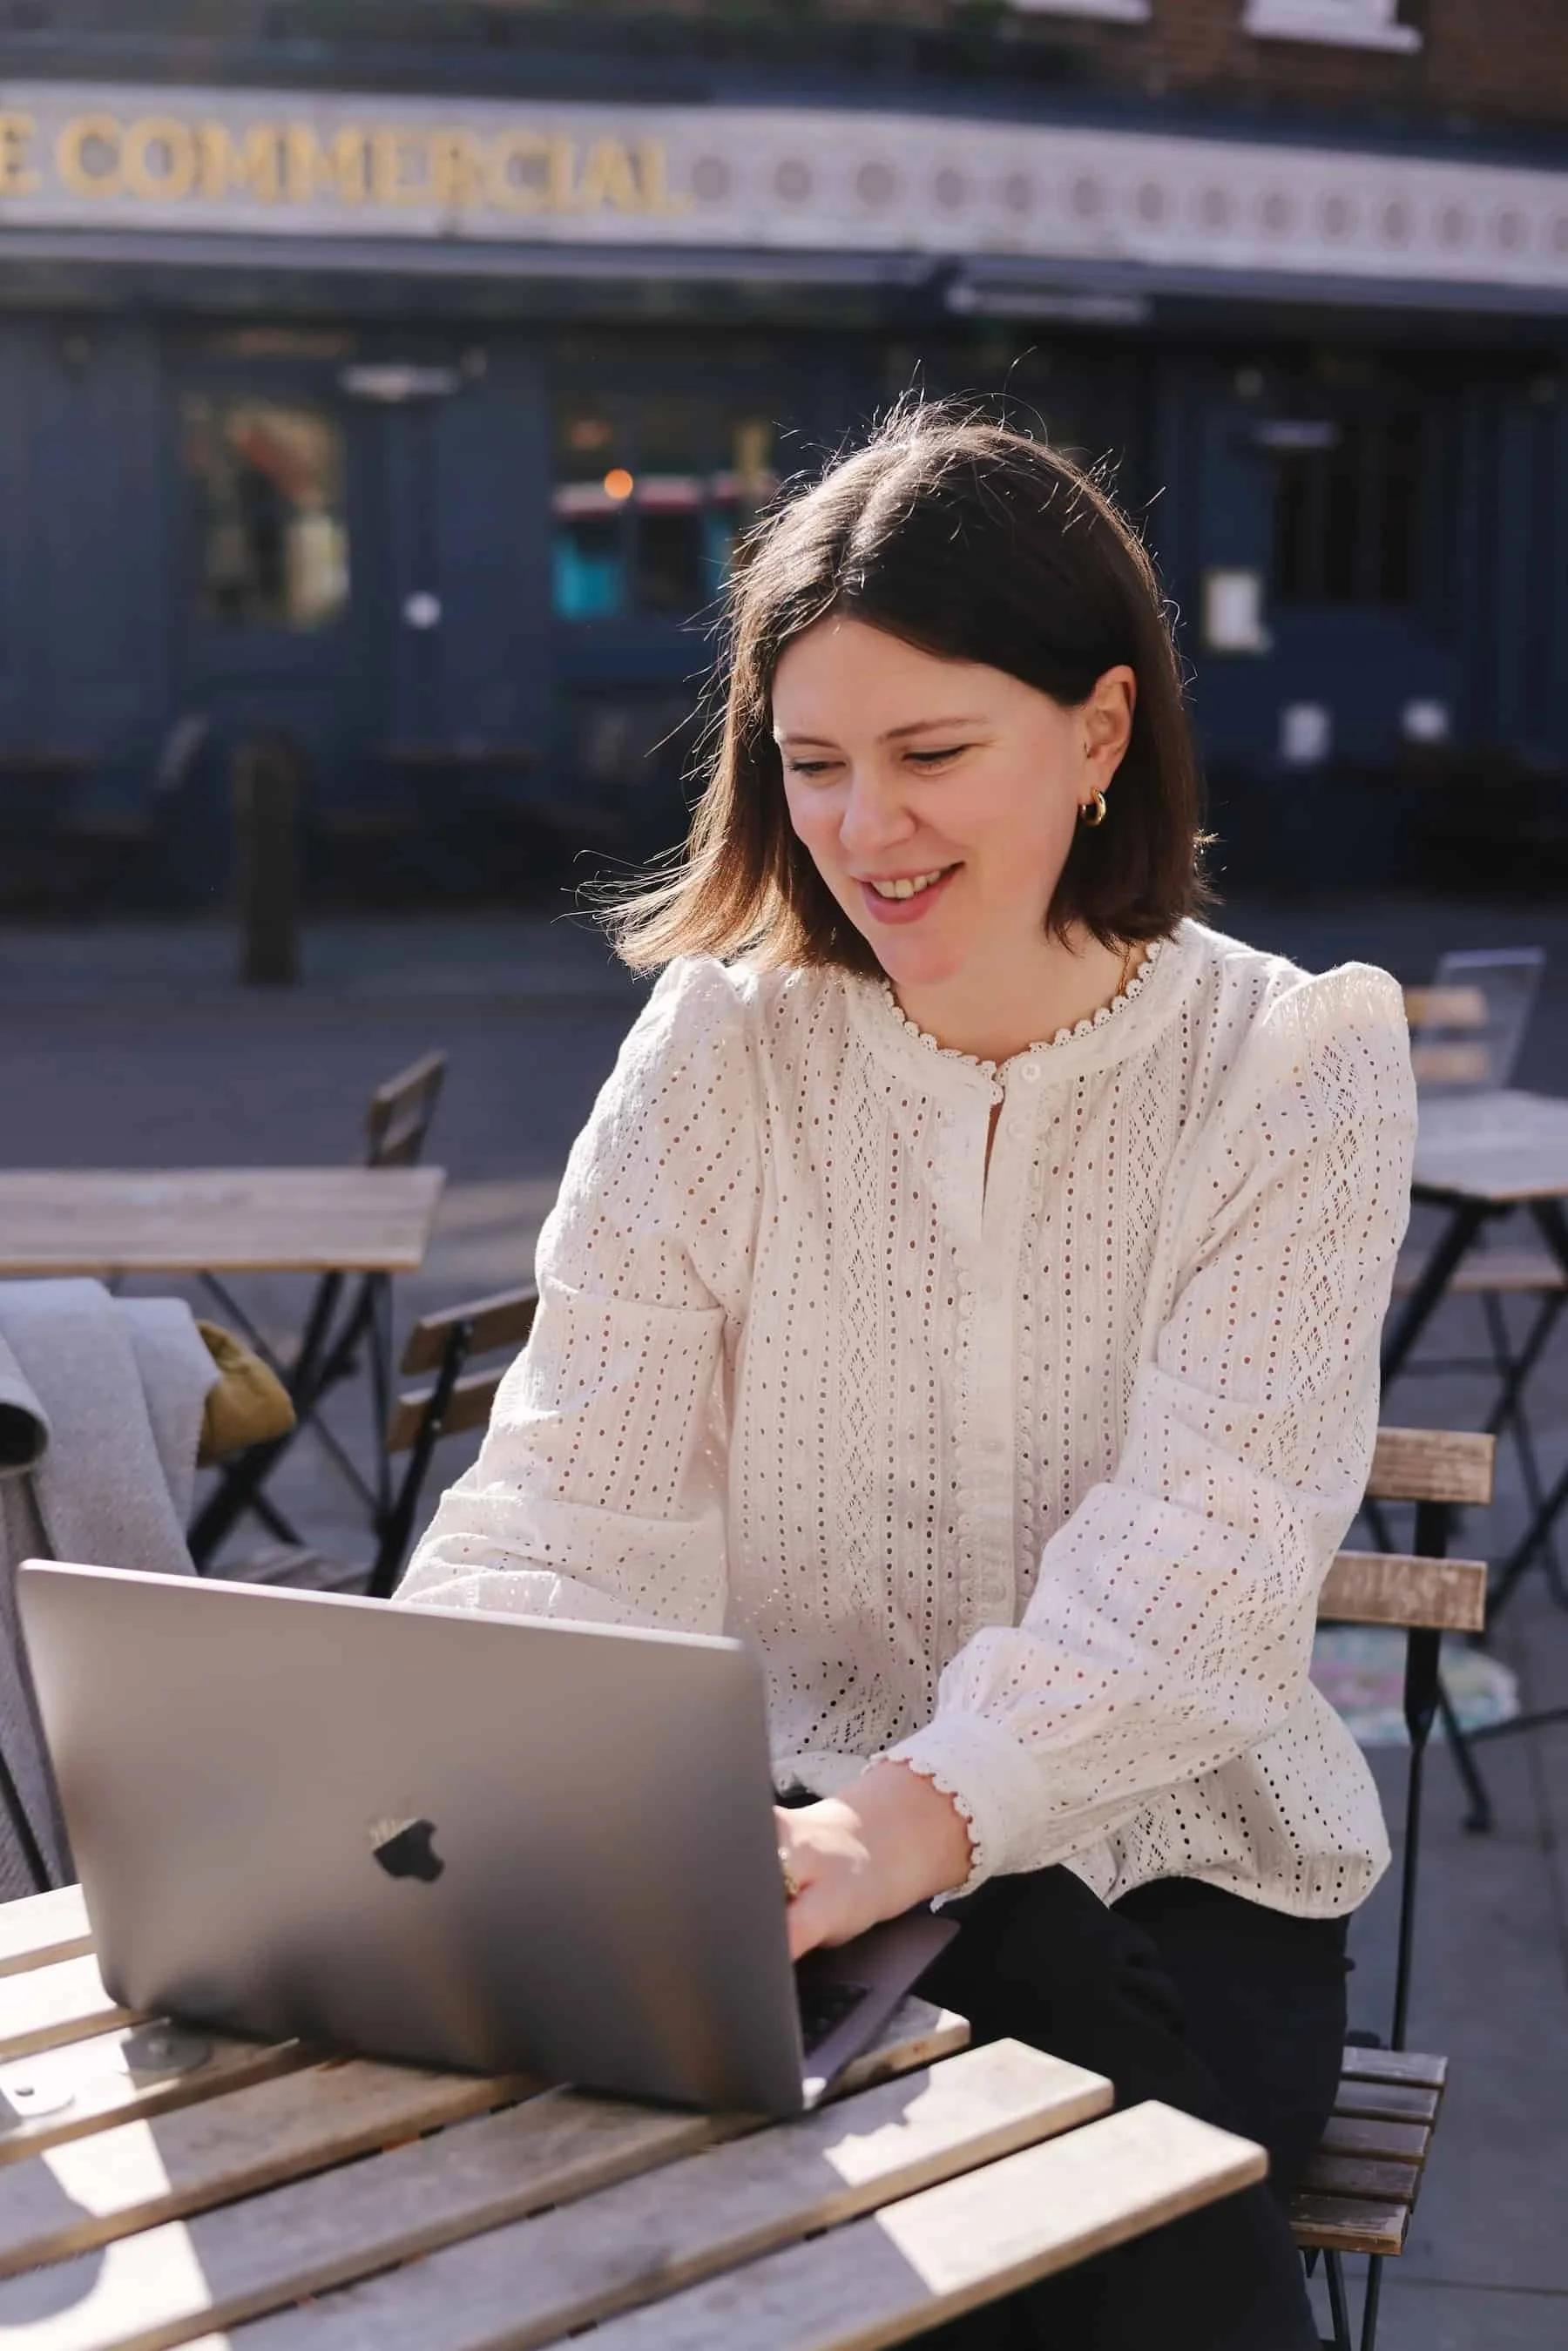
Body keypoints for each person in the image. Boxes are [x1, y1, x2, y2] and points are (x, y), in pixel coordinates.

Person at [397, 405, 1415, 2349]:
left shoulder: (1290, 1063)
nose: (866, 830)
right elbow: (565, 1496)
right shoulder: (721, 1047)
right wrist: (457, 1779)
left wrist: (908, 1820)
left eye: (934, 754)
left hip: (1164, 1890)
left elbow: (1207, 1553)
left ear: (1101, 731)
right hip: (768, 1868)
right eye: (815, 766)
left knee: (979, 2165)